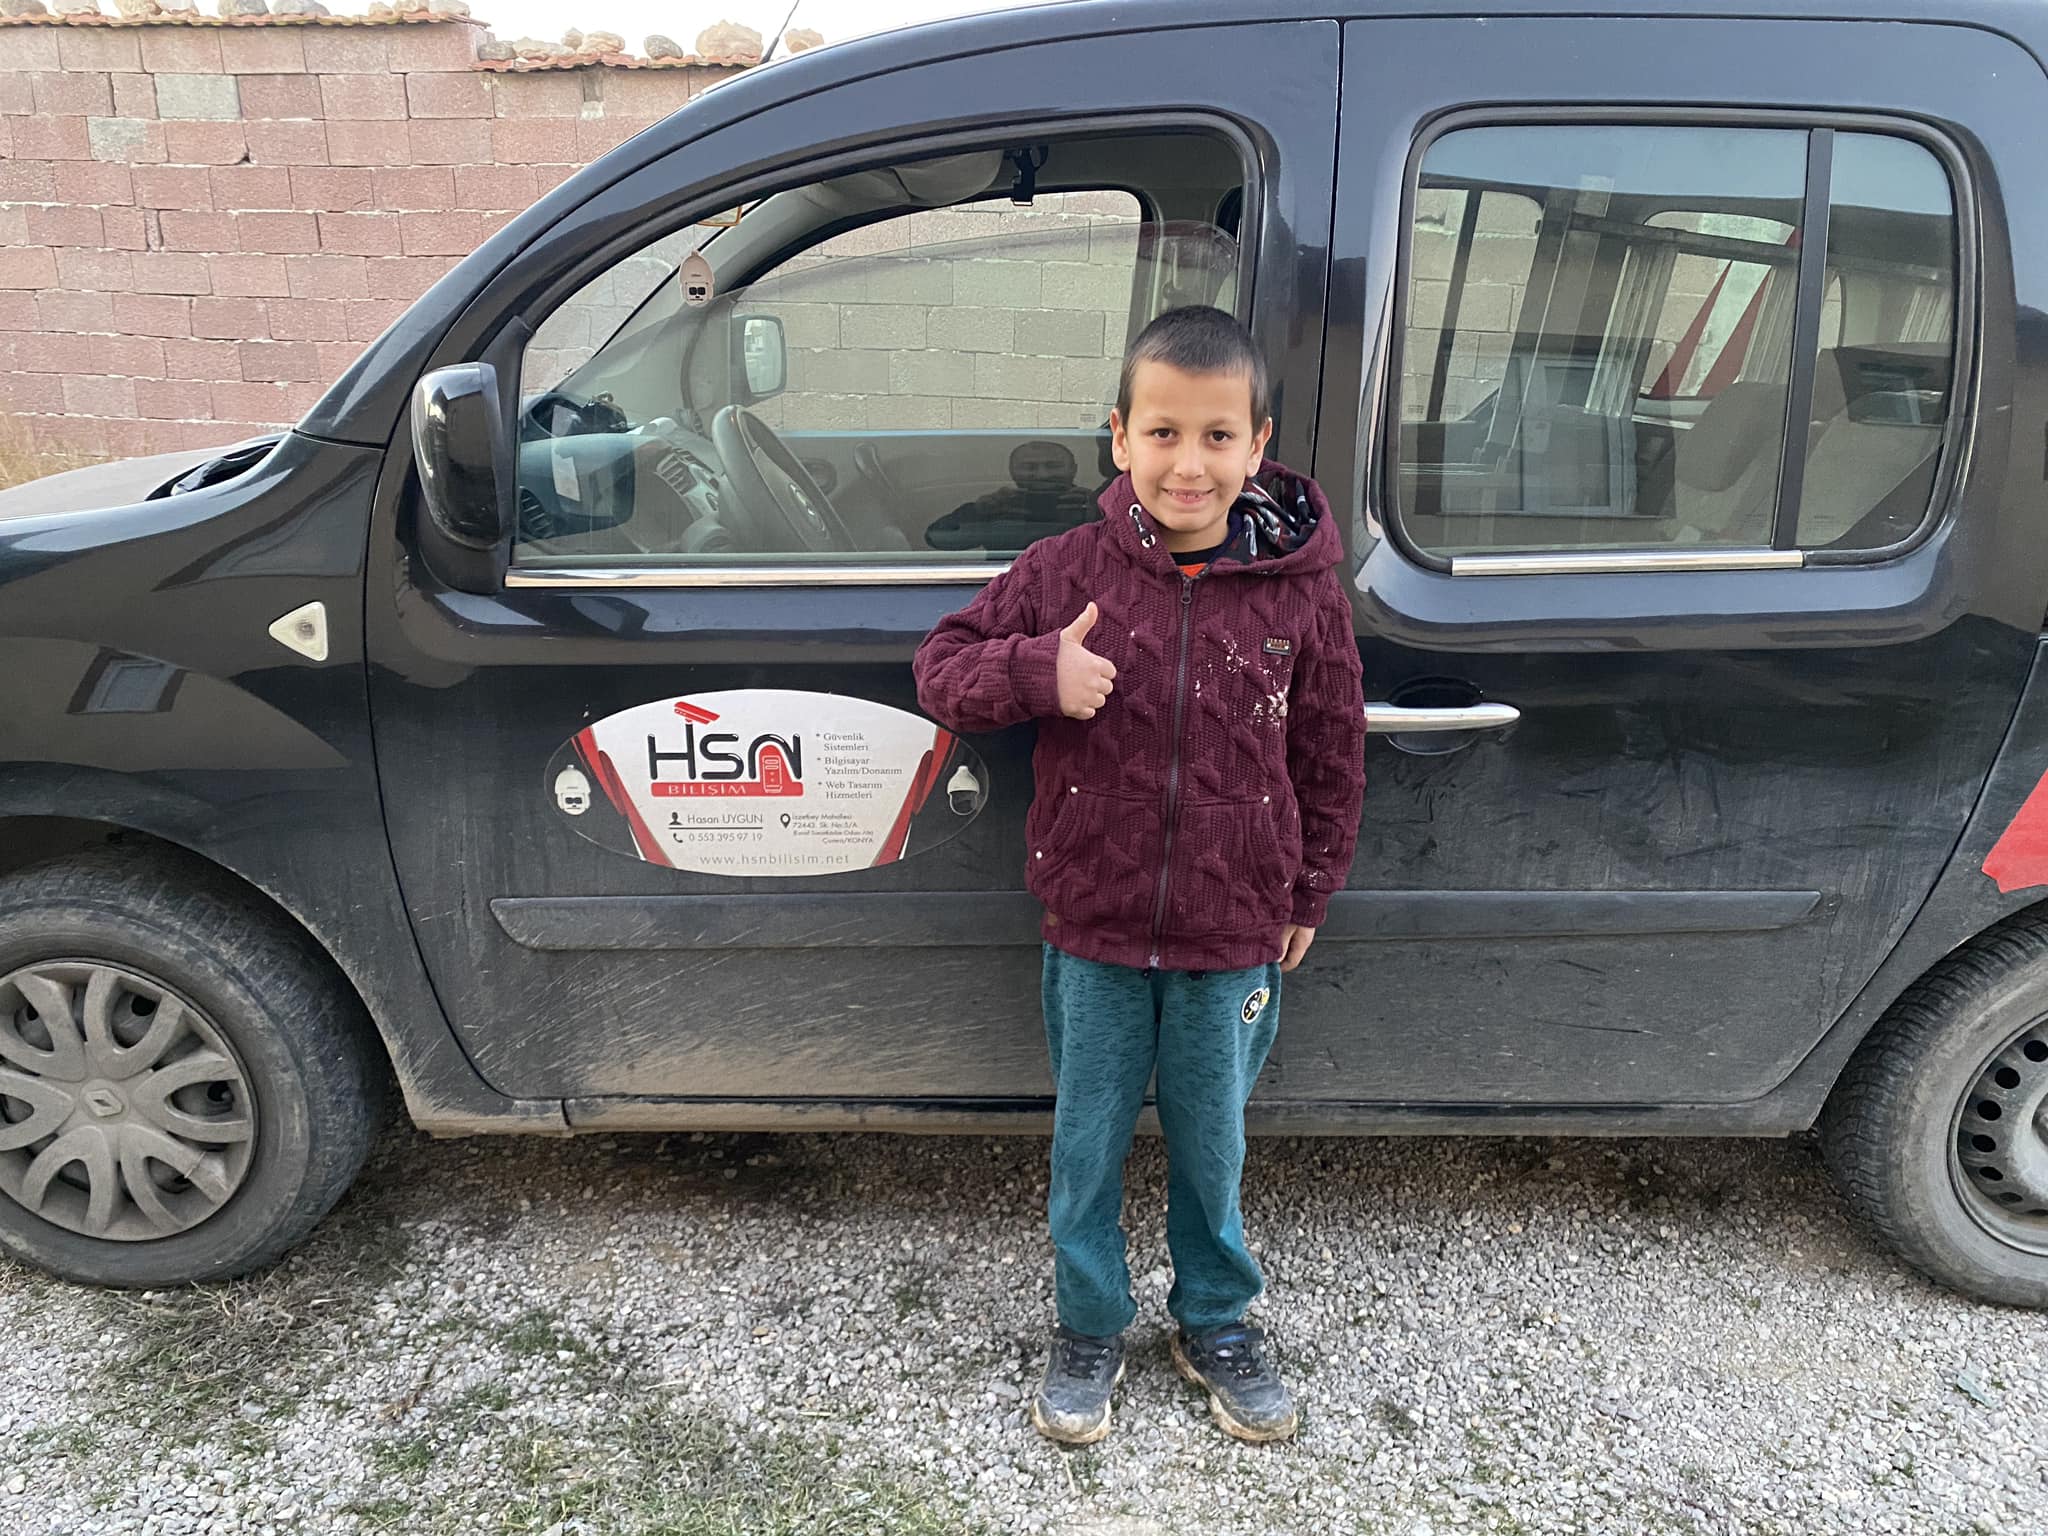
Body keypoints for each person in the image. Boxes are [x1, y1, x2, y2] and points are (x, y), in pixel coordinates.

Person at [912, 305, 1366, 1445]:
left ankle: (1214, 1319)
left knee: (1213, 1148)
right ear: (1119, 436)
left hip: (1233, 934)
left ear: (1258, 446)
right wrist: (1036, 672)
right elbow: (941, 667)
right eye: (1162, 433)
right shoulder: (1066, 570)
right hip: (1094, 931)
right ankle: (1087, 1323)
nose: (1187, 464)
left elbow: (1329, 751)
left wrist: (1308, 889)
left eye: (1217, 437)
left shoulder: (1301, 593)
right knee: (1087, 1144)